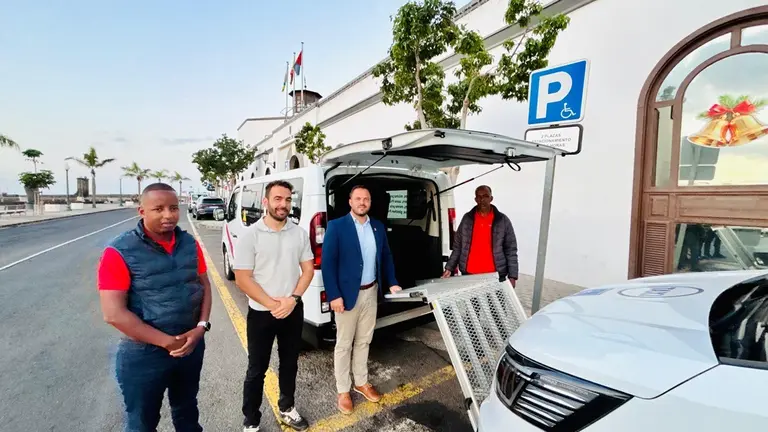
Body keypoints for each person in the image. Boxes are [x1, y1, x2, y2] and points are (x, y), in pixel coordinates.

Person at [98, 182, 212, 432]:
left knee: (187, 412)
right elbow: (113, 313)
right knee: (142, 423)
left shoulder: (189, 243)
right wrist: (166, 342)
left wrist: (201, 327)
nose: (168, 215)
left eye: (173, 208)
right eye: (158, 209)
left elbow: (204, 284)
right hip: (144, 354)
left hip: (191, 346)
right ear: (142, 212)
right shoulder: (119, 251)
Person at [233, 180, 314, 432]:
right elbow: (242, 278)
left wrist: (293, 299)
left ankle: (287, 407)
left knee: (290, 363)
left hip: (292, 309)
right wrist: (272, 304)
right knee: (257, 368)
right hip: (261, 314)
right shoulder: (251, 235)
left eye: (288, 200)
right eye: (278, 199)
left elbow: (308, 269)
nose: (284, 204)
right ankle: (251, 420)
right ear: (265, 202)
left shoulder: (299, 233)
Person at [321, 185, 402, 415]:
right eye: (358, 198)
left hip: (371, 291)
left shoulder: (376, 226)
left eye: (366, 199)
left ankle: (361, 382)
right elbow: (328, 264)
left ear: (370, 202)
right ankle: (343, 390)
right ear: (350, 202)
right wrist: (334, 295)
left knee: (364, 341)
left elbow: (386, 256)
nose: (362, 202)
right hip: (346, 295)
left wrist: (391, 281)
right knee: (344, 343)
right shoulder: (337, 227)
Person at [442, 185, 519, 286]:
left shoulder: (502, 220)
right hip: (469, 275)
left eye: (486, 196)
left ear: (491, 198)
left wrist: (512, 276)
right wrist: (449, 268)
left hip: (495, 277)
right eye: (479, 197)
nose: (482, 199)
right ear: (475, 199)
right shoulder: (467, 219)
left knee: (492, 302)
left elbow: (511, 249)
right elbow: (458, 247)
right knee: (473, 302)